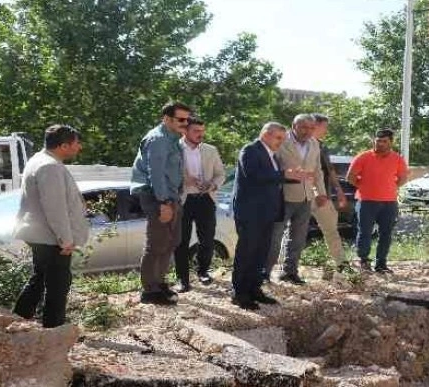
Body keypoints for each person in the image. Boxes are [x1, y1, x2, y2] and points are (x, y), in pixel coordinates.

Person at [12, 124, 89, 328]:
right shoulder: (49, 166)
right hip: (50, 236)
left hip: (43, 234)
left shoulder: (40, 160)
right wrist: (66, 239)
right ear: (64, 145)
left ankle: (17, 320)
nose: (79, 147)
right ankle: (54, 330)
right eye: (76, 143)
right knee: (58, 284)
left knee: (40, 279)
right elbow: (55, 208)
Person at [232, 122, 307, 310]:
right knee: (247, 252)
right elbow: (256, 175)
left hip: (267, 213)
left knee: (261, 252)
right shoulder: (250, 150)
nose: (281, 142)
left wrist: (293, 176)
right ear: (266, 134)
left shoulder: (271, 154)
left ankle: (254, 288)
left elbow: (272, 177)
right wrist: (284, 174)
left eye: (283, 139)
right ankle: (239, 293)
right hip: (251, 212)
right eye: (278, 138)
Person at [130, 101, 190, 305]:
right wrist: (163, 202)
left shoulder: (173, 139)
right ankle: (149, 290)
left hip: (170, 196)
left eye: (187, 119)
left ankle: (159, 283)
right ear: (167, 119)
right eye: (181, 119)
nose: (185, 123)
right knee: (156, 243)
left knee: (171, 242)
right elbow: (155, 174)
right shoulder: (158, 139)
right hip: (157, 196)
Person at [266, 114, 327, 285]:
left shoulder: (314, 143)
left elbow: (317, 170)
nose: (308, 131)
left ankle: (290, 272)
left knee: (298, 238)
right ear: (294, 126)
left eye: (311, 128)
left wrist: (320, 192)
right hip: (282, 196)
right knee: (274, 237)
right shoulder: (281, 140)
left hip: (306, 197)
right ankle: (265, 273)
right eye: (304, 127)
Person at [173, 116, 226, 292]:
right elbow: (165, 174)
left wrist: (213, 185)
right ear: (185, 131)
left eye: (202, 131)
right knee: (181, 241)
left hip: (206, 199)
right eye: (196, 131)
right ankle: (182, 279)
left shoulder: (211, 150)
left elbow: (221, 174)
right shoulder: (174, 148)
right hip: (183, 200)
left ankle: (203, 271)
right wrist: (184, 180)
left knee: (207, 239)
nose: (200, 135)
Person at [347, 129, 408, 274]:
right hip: (366, 201)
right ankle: (363, 261)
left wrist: (390, 187)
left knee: (386, 233)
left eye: (384, 141)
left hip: (389, 203)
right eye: (378, 141)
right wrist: (364, 186)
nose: (380, 144)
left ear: (391, 142)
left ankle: (381, 264)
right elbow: (350, 176)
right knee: (365, 232)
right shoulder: (363, 157)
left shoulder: (397, 159)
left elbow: (403, 178)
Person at [310, 113, 350, 272]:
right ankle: (286, 268)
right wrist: (315, 192)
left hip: (323, 195)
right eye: (324, 126)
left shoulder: (322, 146)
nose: (326, 130)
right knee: (293, 232)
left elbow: (330, 170)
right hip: (304, 195)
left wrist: (339, 191)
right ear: (315, 125)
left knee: (331, 230)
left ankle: (341, 264)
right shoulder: (300, 145)